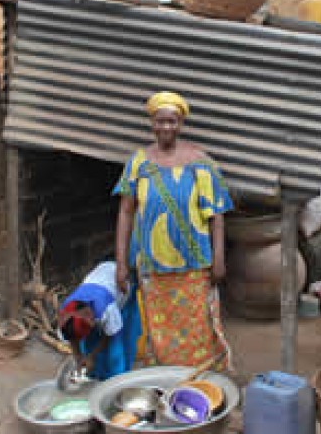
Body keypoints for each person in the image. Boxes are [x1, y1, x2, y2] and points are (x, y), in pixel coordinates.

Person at [113, 90, 234, 368]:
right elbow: (126, 212)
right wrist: (121, 263)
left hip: (194, 265)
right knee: (159, 332)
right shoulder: (138, 162)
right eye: (160, 121)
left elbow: (216, 215)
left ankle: (199, 382)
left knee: (197, 328)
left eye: (172, 122)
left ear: (180, 125)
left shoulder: (200, 163)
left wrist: (219, 259)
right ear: (152, 124)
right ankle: (166, 384)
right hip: (153, 265)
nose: (166, 127)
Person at [58, 260, 141, 380]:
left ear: (91, 318)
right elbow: (71, 337)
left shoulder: (106, 307)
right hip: (99, 277)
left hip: (119, 280)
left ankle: (117, 382)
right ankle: (94, 376)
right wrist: (78, 357)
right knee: (89, 344)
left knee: (115, 354)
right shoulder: (65, 314)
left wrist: (92, 356)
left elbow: (110, 335)